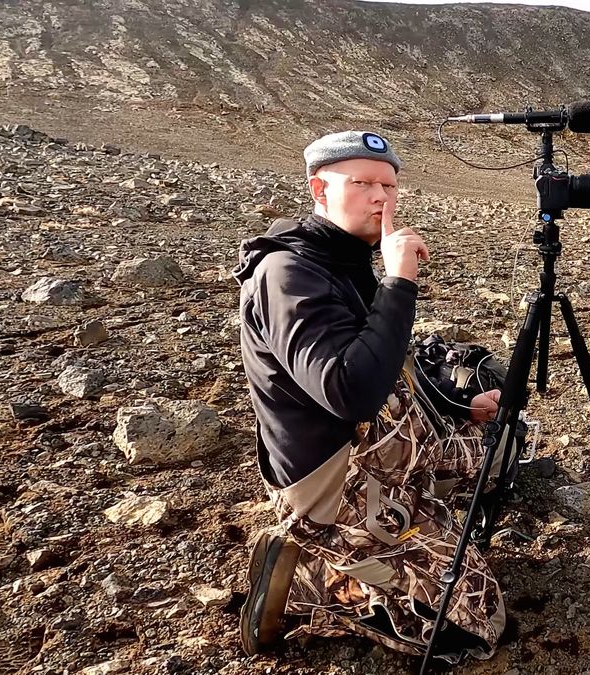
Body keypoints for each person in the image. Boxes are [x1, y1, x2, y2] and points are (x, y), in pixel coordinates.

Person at [231, 130, 508, 666]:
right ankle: (308, 577)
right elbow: (349, 391)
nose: (381, 197)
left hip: (385, 446)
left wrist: (456, 409)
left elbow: (384, 366)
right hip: (336, 475)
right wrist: (400, 283)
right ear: (319, 189)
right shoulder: (288, 274)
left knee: (500, 448)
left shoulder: (348, 260)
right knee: (476, 622)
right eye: (363, 184)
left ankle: (408, 521)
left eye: (389, 185)